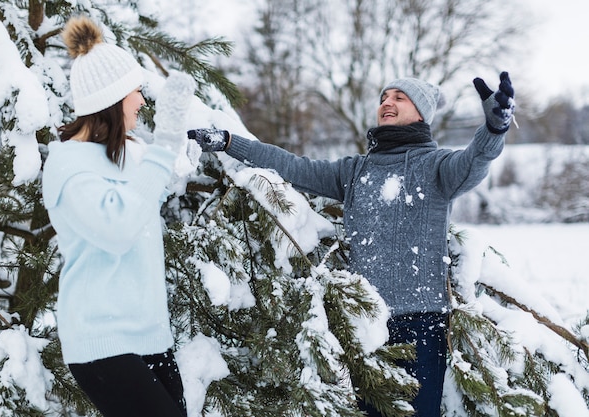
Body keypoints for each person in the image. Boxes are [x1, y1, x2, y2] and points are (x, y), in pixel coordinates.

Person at [186, 72, 515, 417]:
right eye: (384, 98)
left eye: (399, 98)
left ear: (421, 113)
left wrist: (494, 128)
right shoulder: (356, 171)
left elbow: (475, 162)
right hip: (367, 324)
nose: (386, 103)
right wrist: (228, 142)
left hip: (421, 324)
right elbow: (292, 166)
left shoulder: (436, 167)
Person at [42, 16, 187, 417]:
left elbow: (158, 181)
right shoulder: (67, 165)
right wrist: (165, 147)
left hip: (151, 335)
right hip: (102, 341)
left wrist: (180, 142)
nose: (142, 99)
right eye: (135, 90)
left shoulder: (128, 153)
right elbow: (119, 229)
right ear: (112, 99)